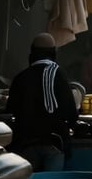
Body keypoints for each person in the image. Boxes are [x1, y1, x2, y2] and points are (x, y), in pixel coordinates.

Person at [6, 32, 78, 171]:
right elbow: (71, 114)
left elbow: (10, 112)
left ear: (32, 53)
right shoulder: (58, 74)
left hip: (25, 146)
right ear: (53, 53)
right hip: (53, 143)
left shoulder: (21, 78)